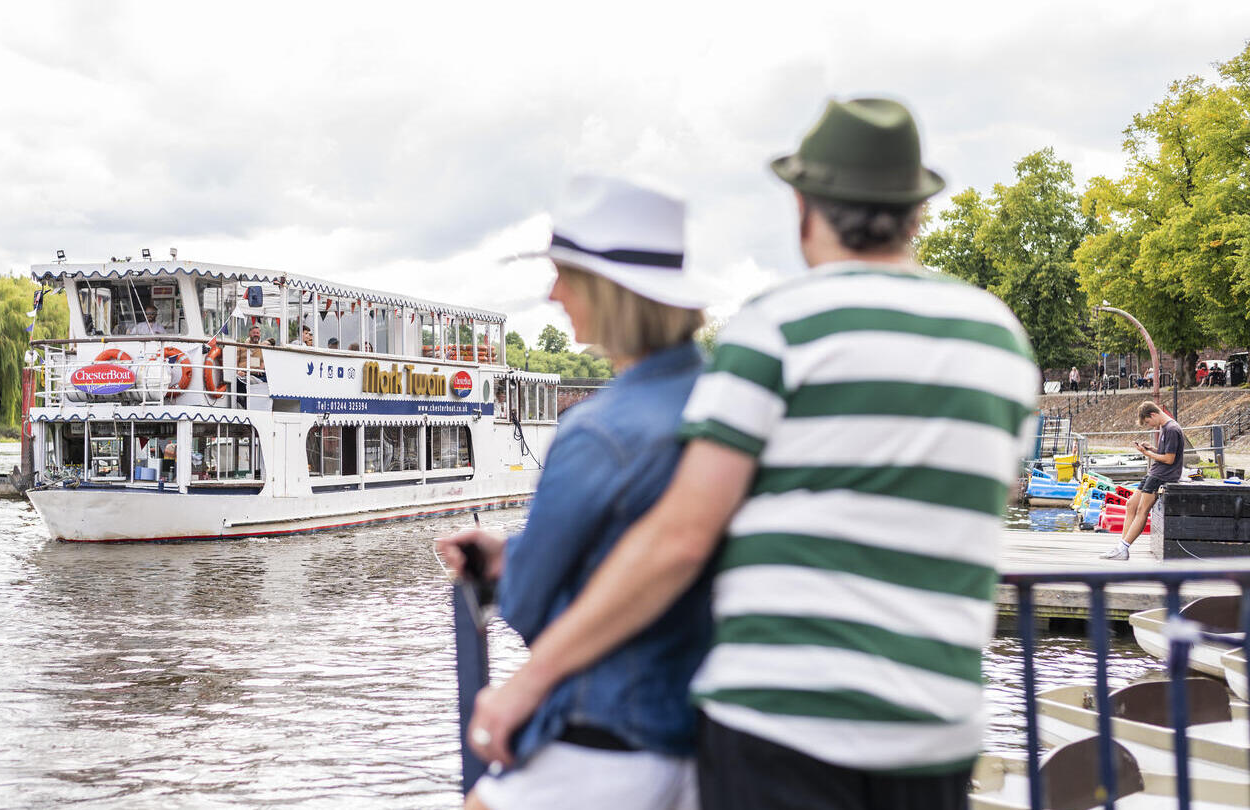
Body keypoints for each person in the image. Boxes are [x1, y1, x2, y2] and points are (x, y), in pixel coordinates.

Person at [463, 99, 1040, 810]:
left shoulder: (777, 328)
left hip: (781, 720)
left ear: (804, 206)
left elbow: (681, 536)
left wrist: (528, 680)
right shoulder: (1001, 339)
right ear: (917, 212)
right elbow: (995, 491)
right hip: (936, 725)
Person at [437, 175, 710, 810]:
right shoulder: (725, 403)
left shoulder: (595, 432)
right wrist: (519, 549)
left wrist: (513, 566)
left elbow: (529, 604)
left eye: (564, 274)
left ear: (608, 292)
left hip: (607, 729)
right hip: (702, 732)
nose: (552, 292)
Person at [1100, 401, 1184, 560]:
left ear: (1153, 414)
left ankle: (1123, 548)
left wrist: (1147, 454)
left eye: (1148, 422)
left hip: (1163, 475)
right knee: (1131, 504)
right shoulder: (1166, 428)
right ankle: (1121, 547)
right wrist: (1151, 448)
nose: (1150, 425)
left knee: (1142, 510)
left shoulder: (1171, 429)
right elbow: (1165, 452)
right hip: (1155, 472)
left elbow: (1169, 459)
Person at [237, 323, 269, 408]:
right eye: (254, 333)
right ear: (249, 334)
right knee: (239, 381)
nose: (256, 335)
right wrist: (238, 371)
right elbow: (236, 360)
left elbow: (265, 360)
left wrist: (262, 366)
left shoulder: (262, 348)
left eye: (257, 333)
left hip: (255, 374)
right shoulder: (241, 346)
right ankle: (242, 402)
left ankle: (250, 404)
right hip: (241, 373)